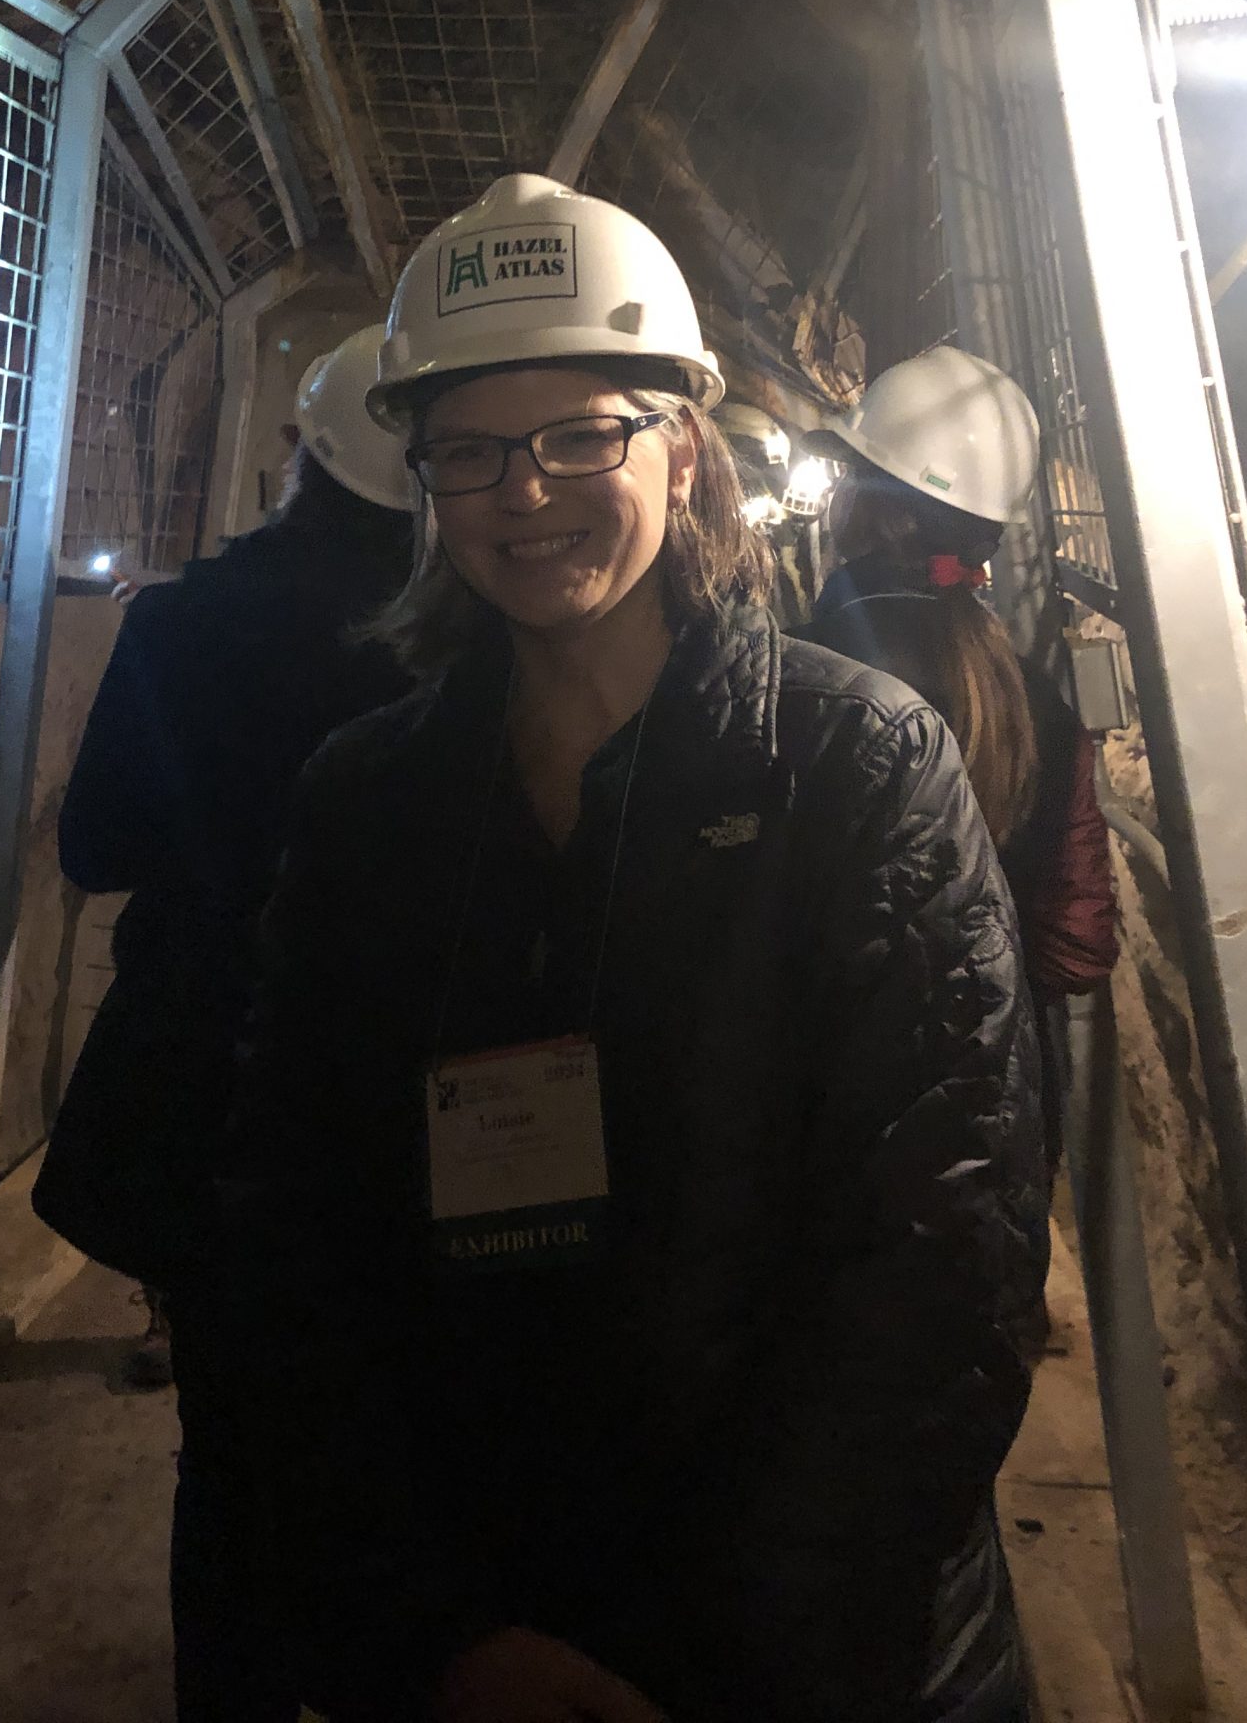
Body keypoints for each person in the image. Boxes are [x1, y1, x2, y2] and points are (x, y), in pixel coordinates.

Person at [223, 174, 1050, 1723]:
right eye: (470, 450)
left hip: (811, 1659)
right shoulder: (371, 804)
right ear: (421, 479)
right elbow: (294, 1238)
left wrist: (718, 1660)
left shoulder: (859, 767)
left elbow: (944, 1264)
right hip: (482, 1633)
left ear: (683, 446)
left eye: (581, 436)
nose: (525, 494)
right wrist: (447, 1630)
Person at [33, 322, 413, 1723]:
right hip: (406, 1102)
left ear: (299, 454)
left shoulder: (181, 625)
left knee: (233, 1450)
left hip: (210, 1089)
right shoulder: (464, 642)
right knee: (407, 1439)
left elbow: (95, 845)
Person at [804, 346, 1119, 1154]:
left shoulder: (791, 689)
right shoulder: (1034, 700)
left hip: (835, 1112)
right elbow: (1079, 941)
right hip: (1005, 1108)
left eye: (852, 478)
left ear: (895, 515)